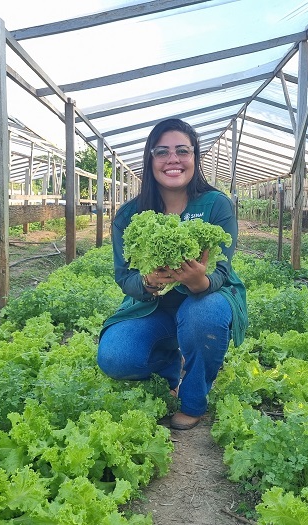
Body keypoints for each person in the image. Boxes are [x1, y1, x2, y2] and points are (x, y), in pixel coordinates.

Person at [97, 118, 248, 430]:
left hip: (205, 300)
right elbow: (124, 276)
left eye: (182, 150)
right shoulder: (129, 214)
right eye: (162, 152)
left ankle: (194, 399)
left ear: (194, 157)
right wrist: (147, 282)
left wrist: (200, 281)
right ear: (150, 159)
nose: (173, 159)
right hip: (154, 308)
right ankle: (168, 364)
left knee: (204, 315)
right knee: (115, 357)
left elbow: (222, 268)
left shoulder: (215, 204)